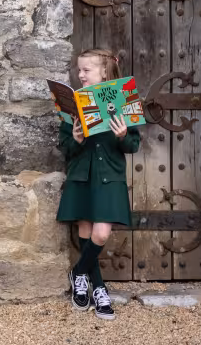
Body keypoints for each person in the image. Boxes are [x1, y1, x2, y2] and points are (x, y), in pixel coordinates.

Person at [56, 48, 141, 321]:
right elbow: (65, 147)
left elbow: (133, 145)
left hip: (109, 176)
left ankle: (79, 272)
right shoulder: (72, 103)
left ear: (104, 71)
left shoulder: (123, 100)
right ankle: (99, 289)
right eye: (79, 70)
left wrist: (122, 134)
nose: (80, 75)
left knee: (101, 233)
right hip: (82, 175)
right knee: (85, 228)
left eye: (86, 70)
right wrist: (77, 139)